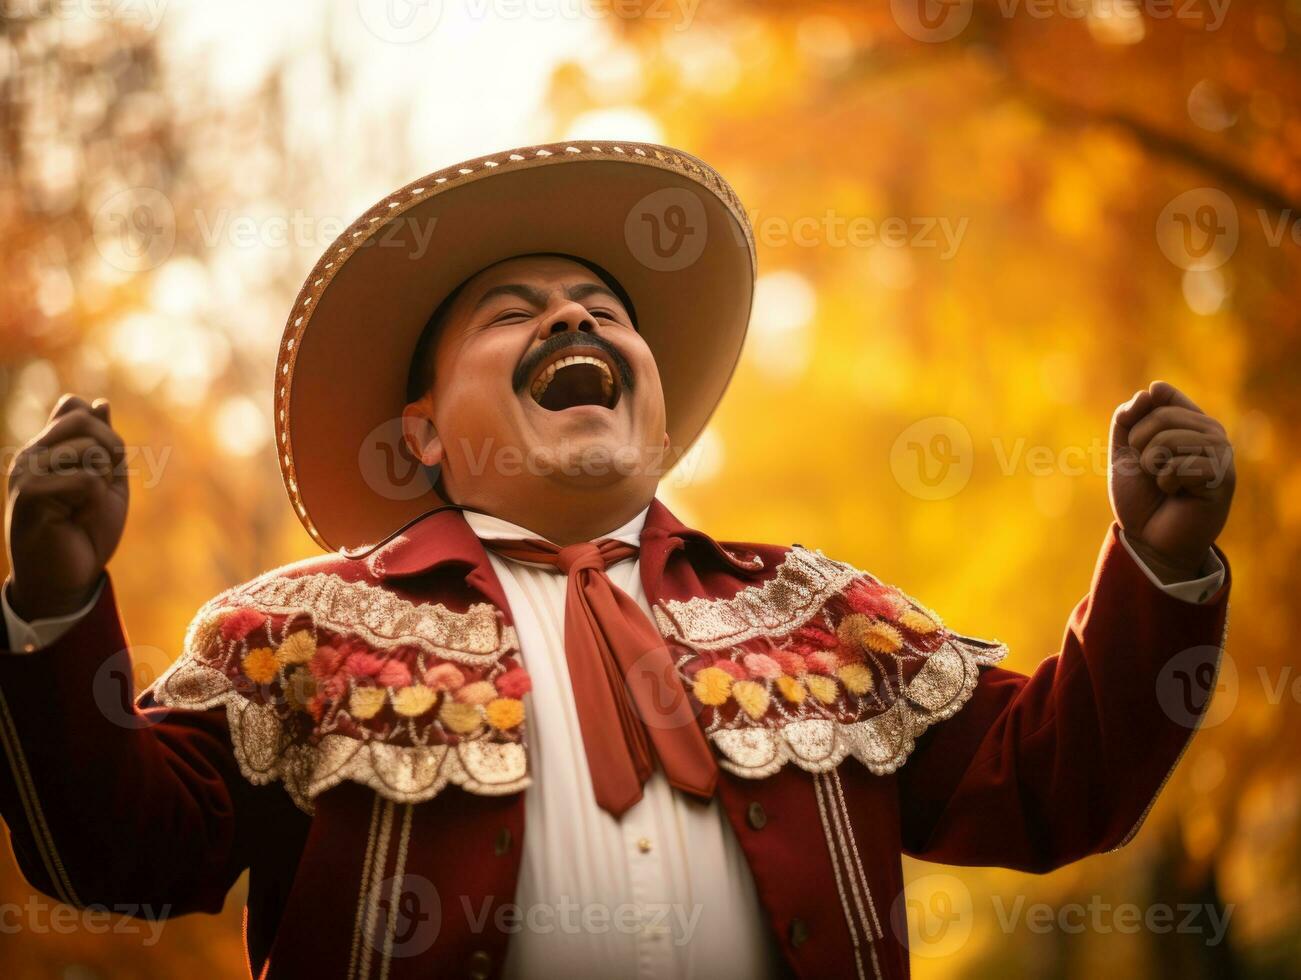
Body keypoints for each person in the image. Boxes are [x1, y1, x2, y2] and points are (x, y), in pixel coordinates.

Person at [0, 141, 1233, 980]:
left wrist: (1155, 566)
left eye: (600, 302)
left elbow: (1050, 782)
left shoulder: (820, 608)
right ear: (421, 430)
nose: (573, 319)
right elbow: (113, 855)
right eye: (510, 309)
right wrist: (58, 606)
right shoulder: (292, 629)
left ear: (650, 407)